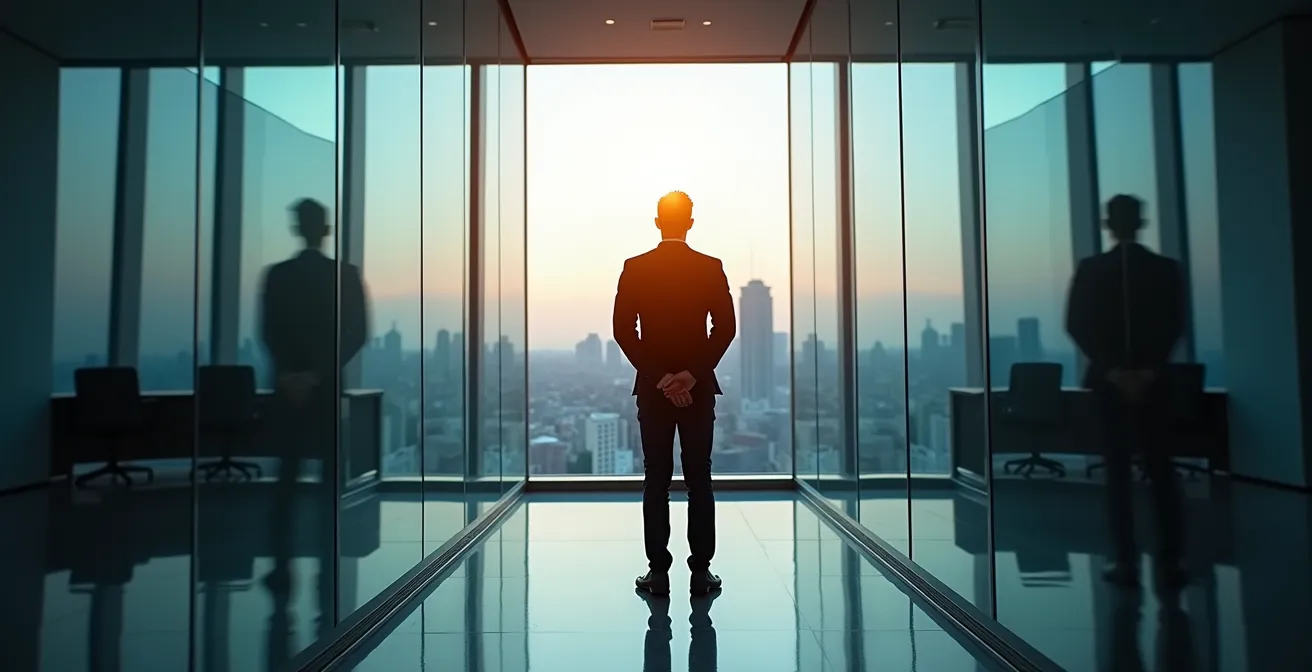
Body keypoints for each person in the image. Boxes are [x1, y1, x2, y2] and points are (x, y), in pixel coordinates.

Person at [258, 198, 369, 654]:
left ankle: (281, 566)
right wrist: (320, 374)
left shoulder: (277, 276)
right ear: (325, 229)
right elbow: (357, 332)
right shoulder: (345, 276)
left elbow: (268, 331)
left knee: (285, 483)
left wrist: (290, 374)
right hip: (323, 392)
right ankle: (327, 565)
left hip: (288, 392)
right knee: (327, 485)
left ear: (297, 228)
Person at [613, 191, 736, 597]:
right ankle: (701, 574)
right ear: (690, 223)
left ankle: (658, 574)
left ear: (657, 222)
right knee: (699, 478)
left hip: (653, 392)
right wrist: (691, 375)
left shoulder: (635, 267)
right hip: (698, 391)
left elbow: (623, 331)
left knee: (657, 479)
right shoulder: (710, 267)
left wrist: (661, 378)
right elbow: (725, 328)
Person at [1065, 194, 1187, 590]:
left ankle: (1125, 561)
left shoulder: (1091, 270)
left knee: (1117, 476)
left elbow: (1076, 324)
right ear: (1141, 222)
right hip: (1156, 385)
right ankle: (1171, 563)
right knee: (1162, 474)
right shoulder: (1166, 270)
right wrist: (1148, 370)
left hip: (1108, 385)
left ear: (1108, 225)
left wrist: (1114, 371)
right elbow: (1175, 323)